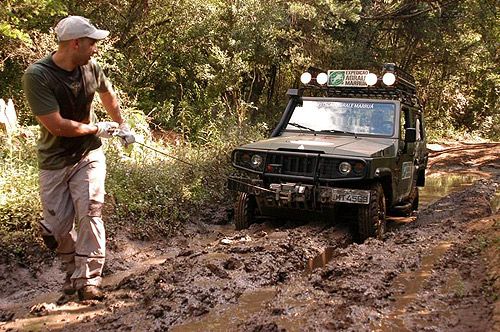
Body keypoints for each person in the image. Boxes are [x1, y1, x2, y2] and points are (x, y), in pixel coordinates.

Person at [22, 15, 132, 301]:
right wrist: (97, 127)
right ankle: (73, 271)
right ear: (75, 43)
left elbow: (109, 96)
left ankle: (89, 280)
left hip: (89, 154)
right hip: (55, 160)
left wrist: (122, 127)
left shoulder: (92, 68)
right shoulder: (38, 76)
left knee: (91, 212)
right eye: (92, 43)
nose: (96, 48)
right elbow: (56, 125)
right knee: (56, 230)